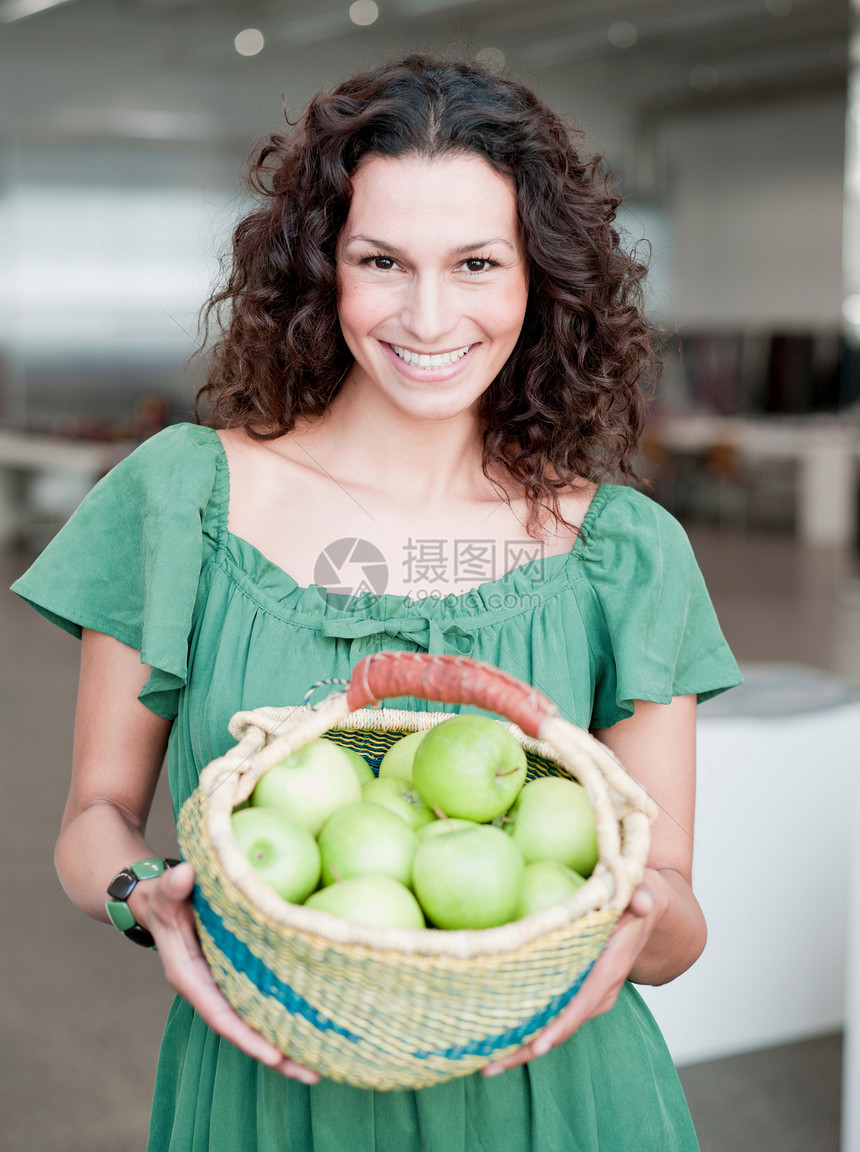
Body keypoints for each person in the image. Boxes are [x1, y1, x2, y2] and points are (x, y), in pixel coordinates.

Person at [12, 53, 741, 1152]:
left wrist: (634, 913)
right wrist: (144, 891)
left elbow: (676, 921)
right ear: (321, 269)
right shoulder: (182, 498)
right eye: (382, 261)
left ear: (538, 279)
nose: (429, 314)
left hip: (553, 1105)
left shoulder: (623, 551)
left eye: (477, 263)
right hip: (269, 1086)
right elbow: (91, 821)